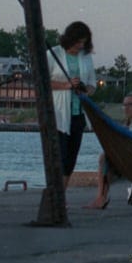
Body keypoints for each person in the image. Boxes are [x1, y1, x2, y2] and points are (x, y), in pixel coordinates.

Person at [86, 93, 132, 208]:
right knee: (105, 160)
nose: (126, 108)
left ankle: (101, 197)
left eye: (130, 104)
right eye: (124, 105)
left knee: (104, 159)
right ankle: (101, 197)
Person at [50, 19, 94, 177]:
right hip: (59, 114)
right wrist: (66, 85)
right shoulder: (53, 54)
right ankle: (57, 195)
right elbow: (42, 82)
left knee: (71, 160)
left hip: (78, 114)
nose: (81, 46)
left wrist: (85, 90)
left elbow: (92, 84)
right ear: (70, 39)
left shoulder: (86, 57)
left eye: (84, 43)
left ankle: (63, 196)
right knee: (60, 157)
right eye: (78, 43)